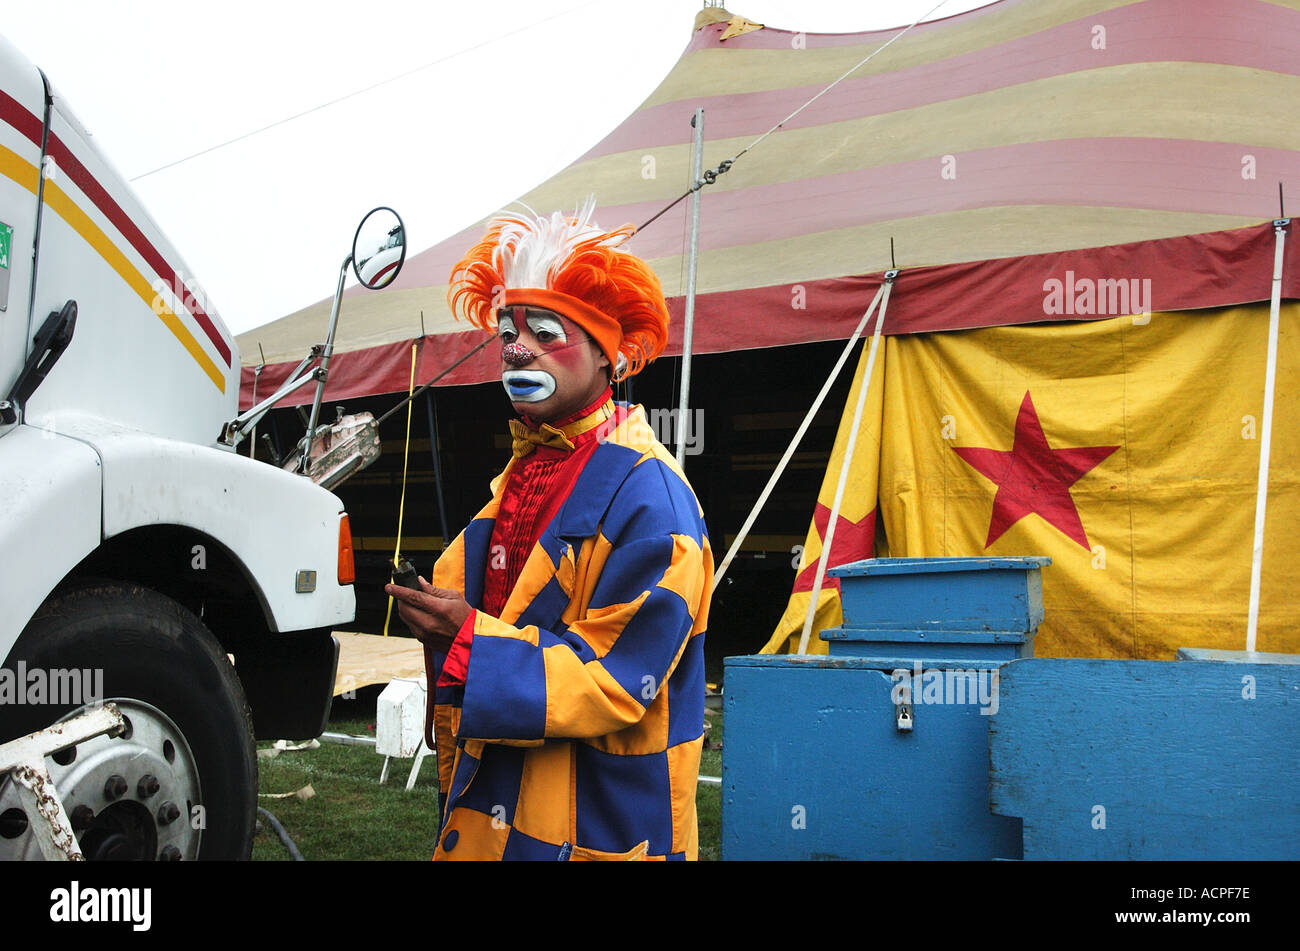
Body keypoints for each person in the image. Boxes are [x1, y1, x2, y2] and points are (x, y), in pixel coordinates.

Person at [384, 199, 713, 861]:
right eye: (508, 329)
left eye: (544, 330)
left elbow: (618, 679)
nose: (516, 347)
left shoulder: (656, 502)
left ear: (604, 353)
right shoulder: (522, 475)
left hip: (601, 823)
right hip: (502, 816)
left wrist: (466, 638)